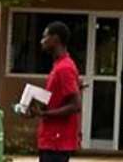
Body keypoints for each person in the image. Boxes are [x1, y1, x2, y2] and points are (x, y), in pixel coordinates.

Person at [30, 21, 82, 162]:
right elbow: (58, 99)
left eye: (45, 37)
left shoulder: (64, 68)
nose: (42, 41)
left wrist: (44, 114)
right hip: (51, 139)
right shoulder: (58, 66)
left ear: (55, 39)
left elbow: (75, 105)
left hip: (57, 141)